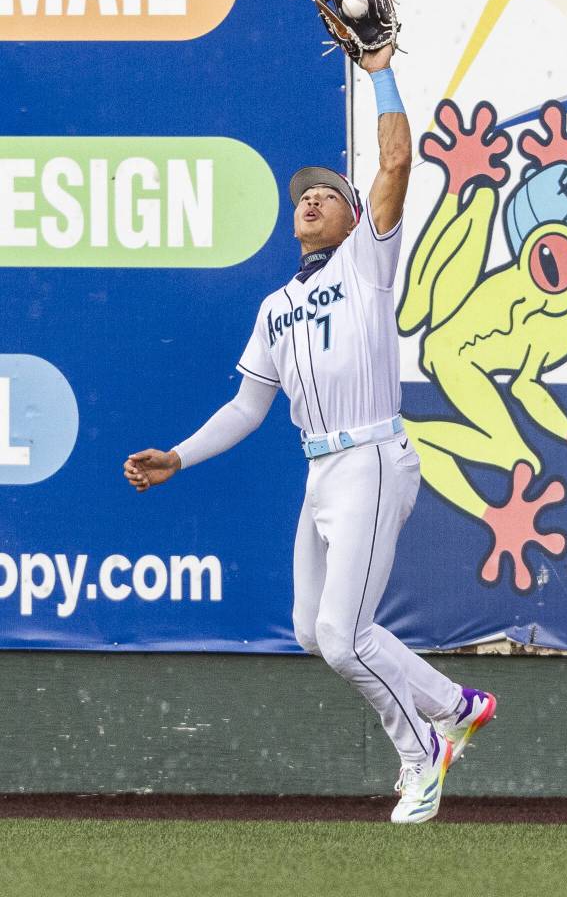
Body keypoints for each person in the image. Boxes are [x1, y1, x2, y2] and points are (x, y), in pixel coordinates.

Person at [123, 41, 496, 824]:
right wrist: (180, 457)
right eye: (304, 195)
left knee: (342, 631)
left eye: (328, 192)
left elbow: (395, 160)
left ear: (356, 215)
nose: (312, 199)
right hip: (320, 471)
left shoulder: (366, 262)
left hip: (372, 456)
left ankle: (422, 751)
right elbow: (247, 408)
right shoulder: (274, 308)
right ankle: (454, 705)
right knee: (309, 627)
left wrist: (383, 67)